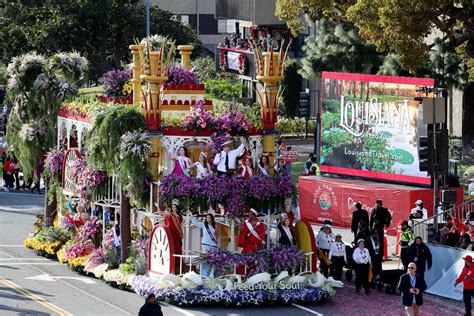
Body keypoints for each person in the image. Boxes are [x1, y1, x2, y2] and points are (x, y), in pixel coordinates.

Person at [187, 211, 218, 277]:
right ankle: (204, 275)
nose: (208, 219)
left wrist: (216, 243)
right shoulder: (203, 225)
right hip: (205, 245)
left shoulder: (215, 226)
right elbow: (195, 222)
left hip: (213, 245)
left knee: (213, 261)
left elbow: (216, 235)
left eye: (209, 217)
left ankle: (212, 275)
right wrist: (191, 215)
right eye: (207, 218)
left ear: (212, 219)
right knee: (205, 260)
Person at [237, 208, 265, 274]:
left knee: (255, 262)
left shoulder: (259, 224)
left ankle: (253, 275)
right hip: (247, 246)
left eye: (251, 214)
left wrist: (261, 240)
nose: (249, 215)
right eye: (249, 214)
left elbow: (262, 233)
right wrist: (241, 229)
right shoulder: (246, 223)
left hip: (255, 247)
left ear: (254, 215)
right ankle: (242, 275)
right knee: (244, 261)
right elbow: (242, 233)